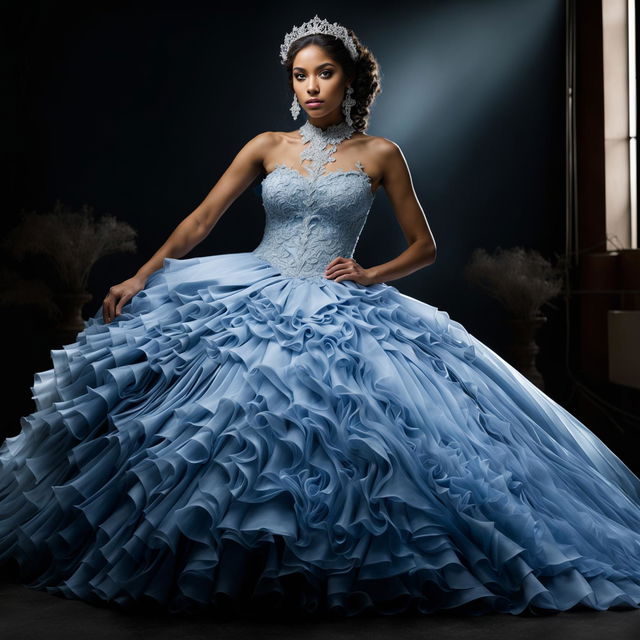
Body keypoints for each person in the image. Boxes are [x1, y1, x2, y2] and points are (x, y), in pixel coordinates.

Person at [2, 14, 640, 620]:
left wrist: (370, 274)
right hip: (253, 285)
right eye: (301, 76)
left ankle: (325, 569)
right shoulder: (266, 146)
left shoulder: (380, 153)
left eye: (325, 73)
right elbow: (201, 221)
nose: (311, 86)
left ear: (350, 78)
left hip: (339, 298)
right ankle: (220, 563)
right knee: (225, 430)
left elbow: (426, 247)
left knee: (364, 444)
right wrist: (143, 274)